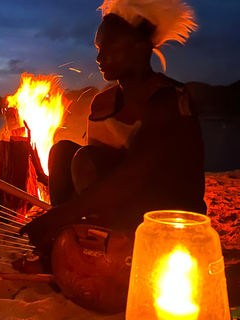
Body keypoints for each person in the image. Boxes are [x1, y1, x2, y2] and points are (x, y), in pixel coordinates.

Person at [20, 0, 206, 267]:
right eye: (98, 48)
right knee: (62, 152)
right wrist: (59, 214)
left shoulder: (169, 100)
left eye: (109, 47)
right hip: (126, 206)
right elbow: (88, 172)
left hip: (167, 213)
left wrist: (60, 215)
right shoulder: (103, 103)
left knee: (83, 158)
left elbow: (132, 174)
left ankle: (107, 251)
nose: (98, 57)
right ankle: (64, 243)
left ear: (141, 49)